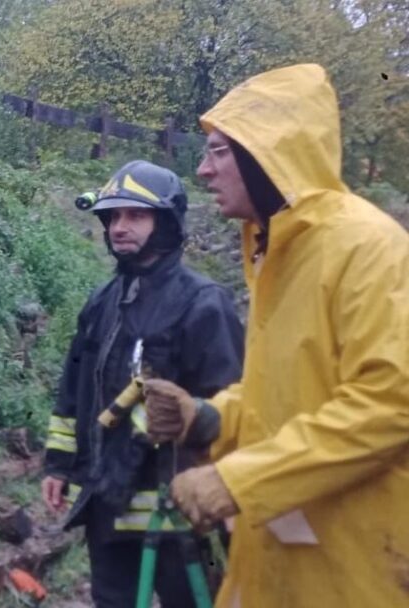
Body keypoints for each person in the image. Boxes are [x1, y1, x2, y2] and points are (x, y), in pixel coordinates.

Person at [142, 63, 409, 607]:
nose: (203, 170)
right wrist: (210, 416)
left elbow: (390, 404)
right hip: (274, 559)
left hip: (350, 569)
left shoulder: (367, 247)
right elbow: (287, 393)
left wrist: (240, 481)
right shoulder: (274, 251)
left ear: (272, 150)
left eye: (218, 151)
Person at [40, 160, 244, 607]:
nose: (119, 227)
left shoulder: (204, 304)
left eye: (135, 215)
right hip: (107, 506)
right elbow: (75, 389)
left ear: (166, 223)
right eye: (113, 216)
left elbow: (233, 406)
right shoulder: (102, 302)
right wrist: (59, 464)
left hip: (184, 518)